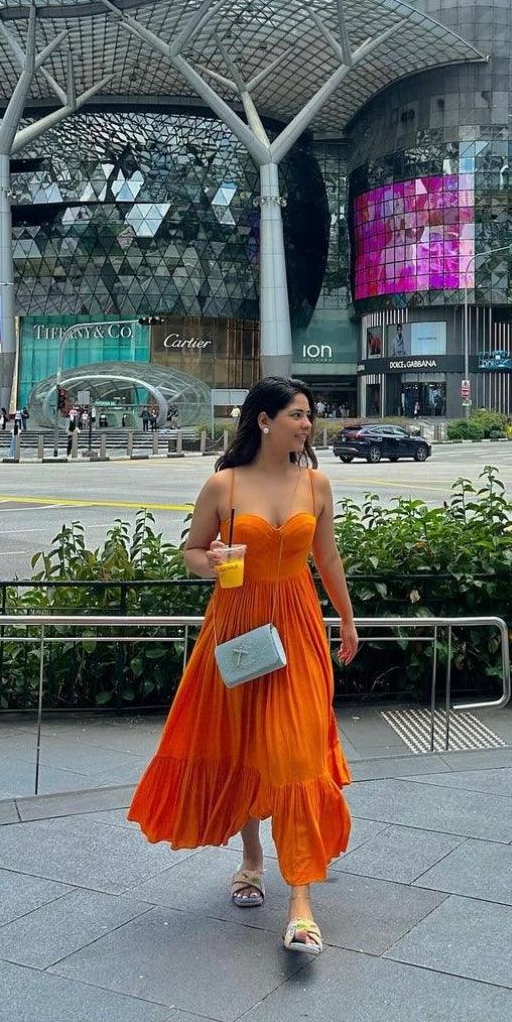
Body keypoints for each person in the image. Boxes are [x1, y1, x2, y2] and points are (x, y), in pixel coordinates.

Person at [127, 376, 358, 955]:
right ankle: (252, 860)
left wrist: (349, 620)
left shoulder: (317, 483)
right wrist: (214, 562)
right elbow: (190, 552)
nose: (308, 425)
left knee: (298, 752)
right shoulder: (223, 485)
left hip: (299, 628)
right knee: (245, 743)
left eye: (310, 415)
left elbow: (326, 556)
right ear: (264, 420)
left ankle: (301, 902)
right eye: (298, 415)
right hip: (237, 626)